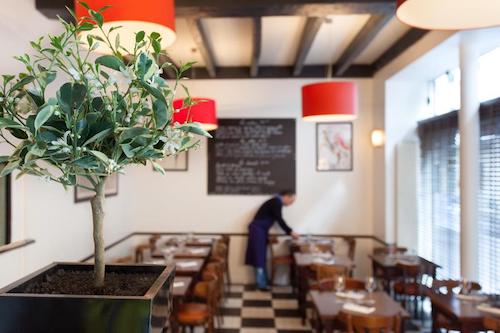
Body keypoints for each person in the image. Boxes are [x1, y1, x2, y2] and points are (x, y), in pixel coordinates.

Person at [245, 190, 299, 291]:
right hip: (257, 230)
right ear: (287, 196)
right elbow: (280, 219)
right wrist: (290, 232)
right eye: (292, 201)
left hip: (260, 231)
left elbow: (278, 219)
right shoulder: (276, 202)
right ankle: (261, 285)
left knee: (260, 257)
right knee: (258, 257)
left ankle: (263, 282)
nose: (291, 203)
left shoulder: (275, 202)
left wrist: (289, 231)